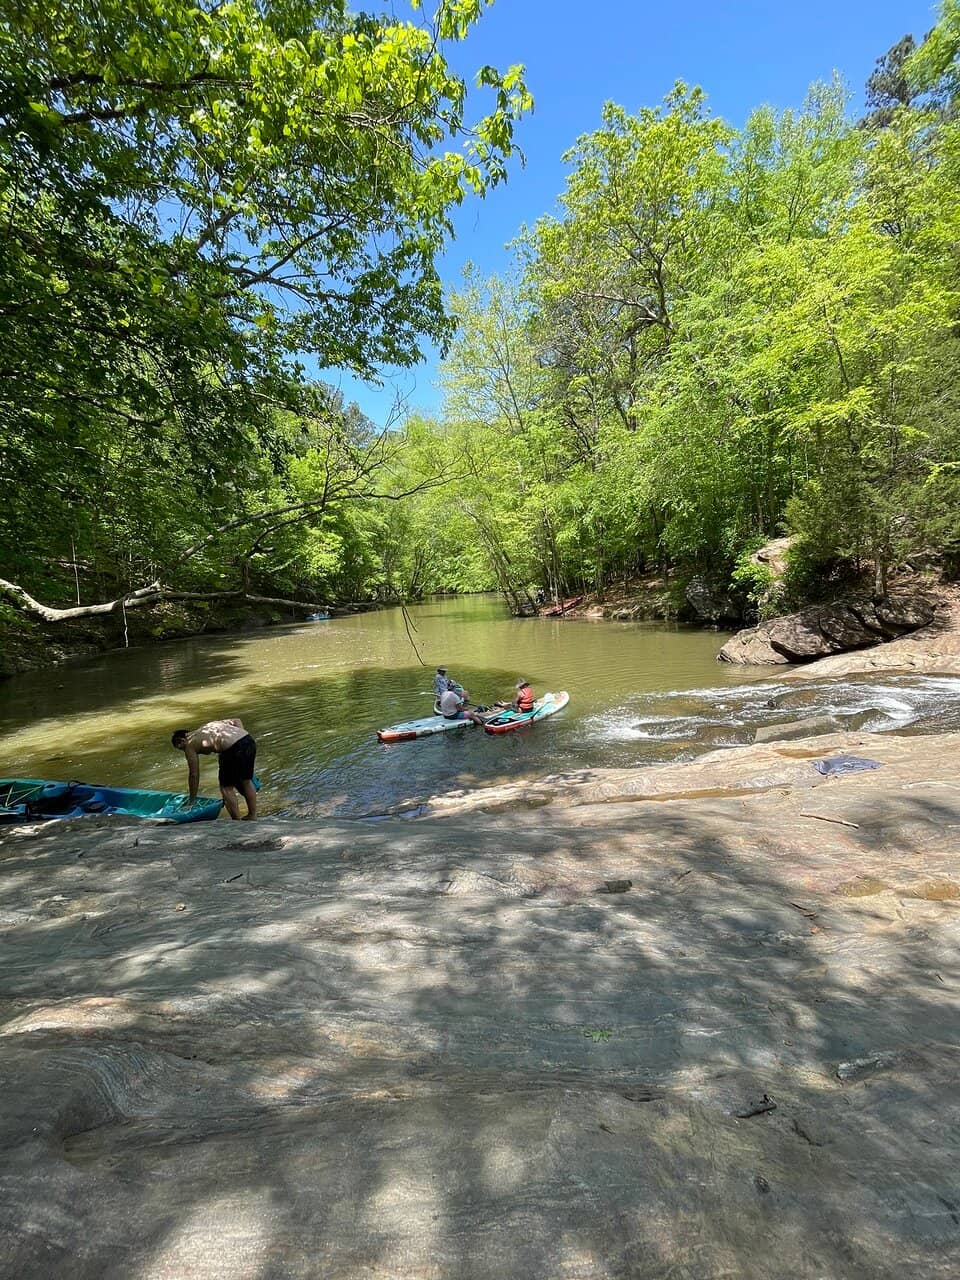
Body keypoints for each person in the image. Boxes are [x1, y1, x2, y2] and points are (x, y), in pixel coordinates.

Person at [171, 718, 257, 820]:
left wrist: (192, 800)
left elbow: (194, 774)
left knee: (226, 788)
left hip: (233, 749)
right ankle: (252, 815)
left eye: (181, 748)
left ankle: (237, 822)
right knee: (246, 781)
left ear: (181, 741)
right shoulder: (208, 727)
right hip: (248, 740)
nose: (184, 751)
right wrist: (239, 739)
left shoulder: (189, 744)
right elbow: (237, 721)